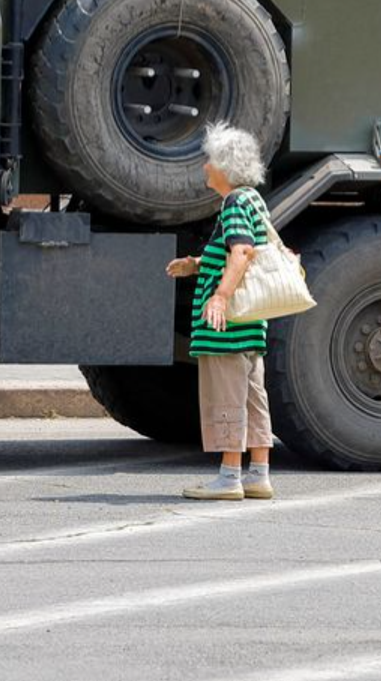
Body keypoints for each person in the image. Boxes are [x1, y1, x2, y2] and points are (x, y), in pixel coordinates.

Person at [165, 123, 274, 501]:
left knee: (228, 399)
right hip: (251, 323)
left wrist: (219, 297)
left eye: (210, 160)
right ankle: (258, 474)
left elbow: (241, 252)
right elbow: (238, 250)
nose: (205, 168)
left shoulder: (233, 204)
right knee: (252, 398)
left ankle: (230, 478)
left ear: (225, 166)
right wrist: (195, 264)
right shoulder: (253, 200)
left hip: (227, 326)